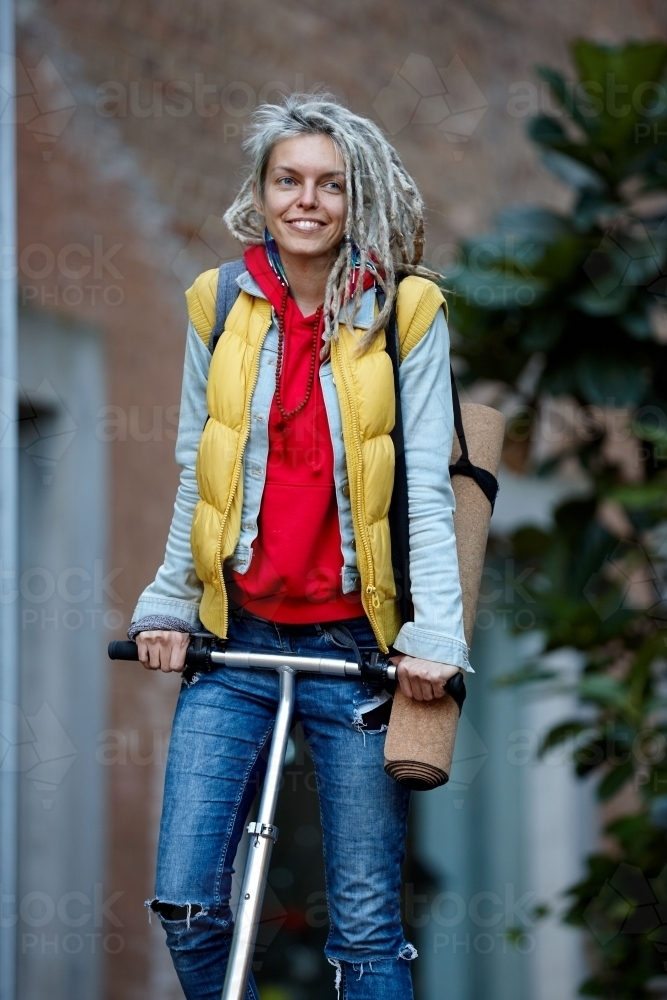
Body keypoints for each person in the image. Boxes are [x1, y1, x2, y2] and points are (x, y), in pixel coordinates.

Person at [129, 92, 469, 1000]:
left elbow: (425, 488)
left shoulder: (407, 312)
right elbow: (195, 471)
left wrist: (434, 636)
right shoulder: (218, 302)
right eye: (288, 180)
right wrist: (167, 605)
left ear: (358, 201)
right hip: (232, 642)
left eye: (330, 184)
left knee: (364, 932)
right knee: (186, 905)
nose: (307, 200)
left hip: (356, 656)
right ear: (262, 190)